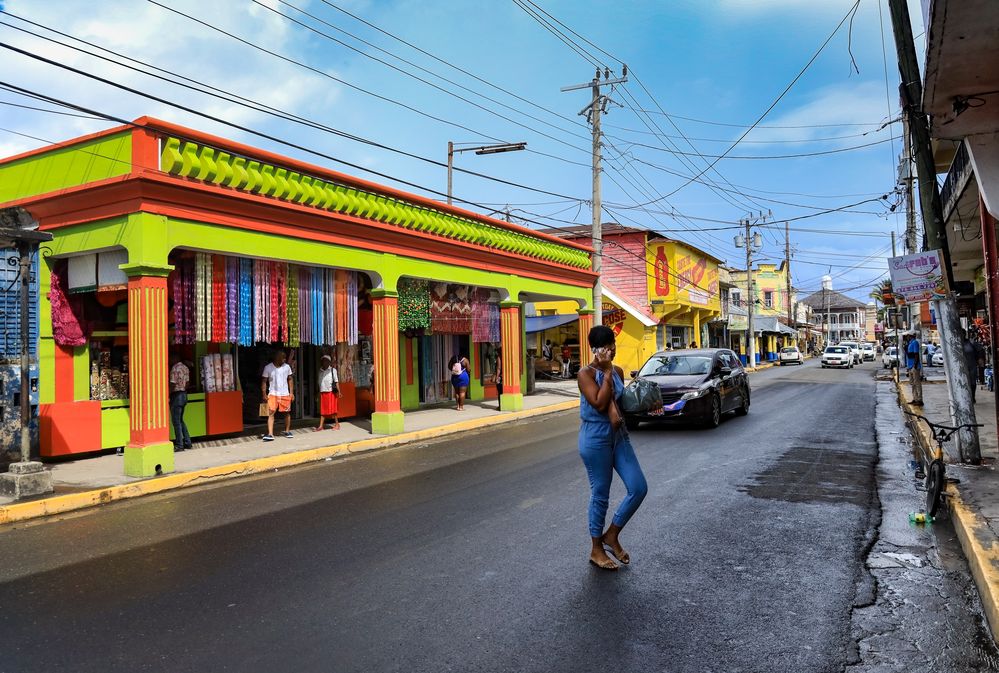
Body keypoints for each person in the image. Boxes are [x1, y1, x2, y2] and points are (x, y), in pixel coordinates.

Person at [576, 325, 651, 571]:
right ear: (598, 350)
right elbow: (599, 403)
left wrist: (648, 403)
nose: (613, 350)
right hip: (595, 438)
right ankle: (596, 549)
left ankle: (612, 534)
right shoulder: (585, 374)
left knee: (638, 487)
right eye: (609, 347)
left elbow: (621, 404)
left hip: (619, 436)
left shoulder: (618, 371)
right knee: (601, 494)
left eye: (613, 345)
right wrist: (606, 372)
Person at [262, 350, 294, 441]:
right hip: (273, 394)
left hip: (285, 393)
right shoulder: (268, 367)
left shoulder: (287, 367)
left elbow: (290, 379)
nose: (284, 360)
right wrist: (264, 394)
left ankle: (287, 431)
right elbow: (264, 381)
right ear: (277, 358)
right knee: (271, 413)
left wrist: (291, 393)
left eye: (285, 358)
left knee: (286, 413)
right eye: (282, 358)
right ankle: (270, 434)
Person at [168, 353, 192, 452]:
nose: (169, 360)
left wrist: (167, 394)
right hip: (184, 395)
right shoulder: (185, 368)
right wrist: (183, 389)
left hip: (176, 396)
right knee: (181, 420)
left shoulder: (174, 369)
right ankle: (187, 442)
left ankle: (179, 445)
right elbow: (188, 383)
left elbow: (172, 384)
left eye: (170, 358)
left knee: (176, 422)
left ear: (175, 358)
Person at [316, 354, 340, 431]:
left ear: (329, 362)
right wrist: (318, 392)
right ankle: (320, 426)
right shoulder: (320, 371)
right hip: (323, 392)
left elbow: (336, 382)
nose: (324, 362)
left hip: (331, 392)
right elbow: (319, 382)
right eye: (323, 360)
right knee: (323, 410)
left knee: (333, 409)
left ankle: (337, 424)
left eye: (326, 360)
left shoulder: (333, 370)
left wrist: (339, 392)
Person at [962, 329, 986, 402]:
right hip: (961, 367)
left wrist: (980, 359)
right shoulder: (956, 344)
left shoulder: (971, 342)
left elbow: (981, 350)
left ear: (964, 334)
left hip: (972, 365)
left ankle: (972, 397)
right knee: (963, 382)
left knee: (972, 382)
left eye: (962, 334)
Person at [905, 334, 923, 406]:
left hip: (914, 366)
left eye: (908, 336)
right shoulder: (910, 343)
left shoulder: (915, 342)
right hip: (910, 366)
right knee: (912, 384)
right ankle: (915, 398)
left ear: (910, 336)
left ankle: (919, 399)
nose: (906, 337)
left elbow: (916, 354)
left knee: (917, 383)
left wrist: (915, 365)